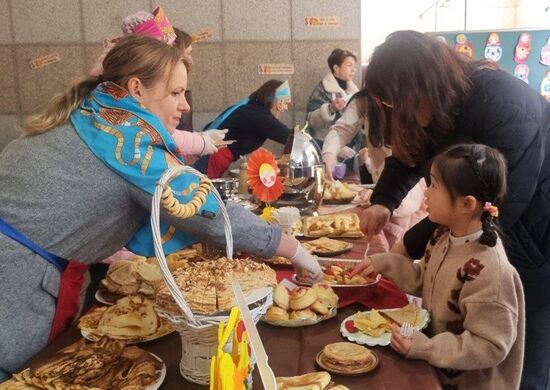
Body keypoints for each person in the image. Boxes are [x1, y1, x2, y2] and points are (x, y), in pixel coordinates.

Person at [0, 35, 322, 379]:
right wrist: (293, 249)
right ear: (136, 89)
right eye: (175, 92)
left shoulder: (97, 117)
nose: (185, 105)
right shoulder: (126, 140)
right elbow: (210, 215)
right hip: (18, 286)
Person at [360, 30, 550, 389]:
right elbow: (409, 154)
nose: (398, 114)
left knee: (522, 357)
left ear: (425, 82)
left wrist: (412, 243)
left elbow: (491, 208)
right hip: (495, 237)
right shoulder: (432, 107)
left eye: (398, 102)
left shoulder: (503, 104)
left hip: (535, 240)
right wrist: (384, 201)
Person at [353, 144, 525, 389]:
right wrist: (383, 263)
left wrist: (425, 347)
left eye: (434, 186)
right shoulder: (443, 236)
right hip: (435, 368)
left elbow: (490, 344)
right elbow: (426, 278)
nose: (426, 194)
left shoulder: (489, 269)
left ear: (467, 204)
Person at [322, 94, 427, 250]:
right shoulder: (367, 99)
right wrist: (329, 154)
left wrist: (380, 198)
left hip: (404, 203)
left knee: (398, 250)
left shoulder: (419, 102)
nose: (385, 100)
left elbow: (408, 177)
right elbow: (341, 130)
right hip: (385, 193)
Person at [194, 79, 292, 178]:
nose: (286, 108)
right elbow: (291, 138)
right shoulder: (259, 115)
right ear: (274, 101)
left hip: (211, 156)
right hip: (210, 159)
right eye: (284, 103)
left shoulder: (250, 108)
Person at [307, 48, 361, 175]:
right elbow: (310, 121)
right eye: (349, 65)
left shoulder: (354, 92)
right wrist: (330, 108)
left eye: (354, 66)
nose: (353, 69)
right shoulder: (322, 90)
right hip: (325, 151)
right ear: (336, 68)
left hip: (350, 154)